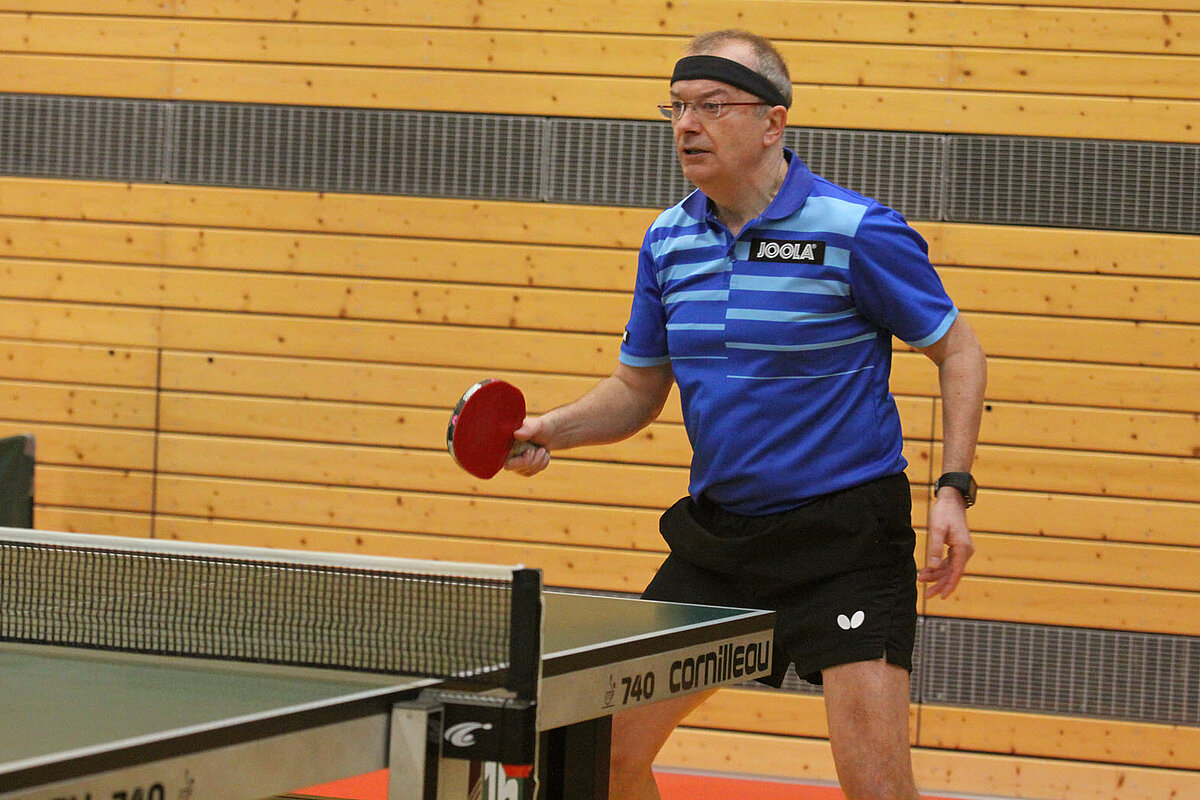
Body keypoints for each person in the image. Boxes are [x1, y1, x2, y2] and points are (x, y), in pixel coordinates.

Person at [507, 29, 987, 800]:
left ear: (772, 121)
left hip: (845, 541)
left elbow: (958, 351)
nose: (686, 126)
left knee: (875, 785)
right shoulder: (668, 240)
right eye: (677, 107)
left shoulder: (855, 231)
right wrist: (549, 430)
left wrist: (953, 489)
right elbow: (637, 389)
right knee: (602, 754)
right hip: (721, 541)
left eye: (711, 106)